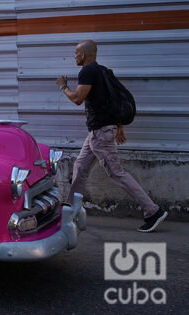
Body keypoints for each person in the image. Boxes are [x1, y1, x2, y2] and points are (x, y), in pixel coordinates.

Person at [56, 39, 167, 233]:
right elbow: (113, 99)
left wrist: (63, 86)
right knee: (80, 167)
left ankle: (153, 210)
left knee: (116, 172)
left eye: (76, 53)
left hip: (101, 133)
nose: (74, 56)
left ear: (83, 55)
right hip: (97, 132)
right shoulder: (104, 71)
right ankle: (70, 211)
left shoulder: (88, 71)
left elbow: (77, 98)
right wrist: (119, 125)